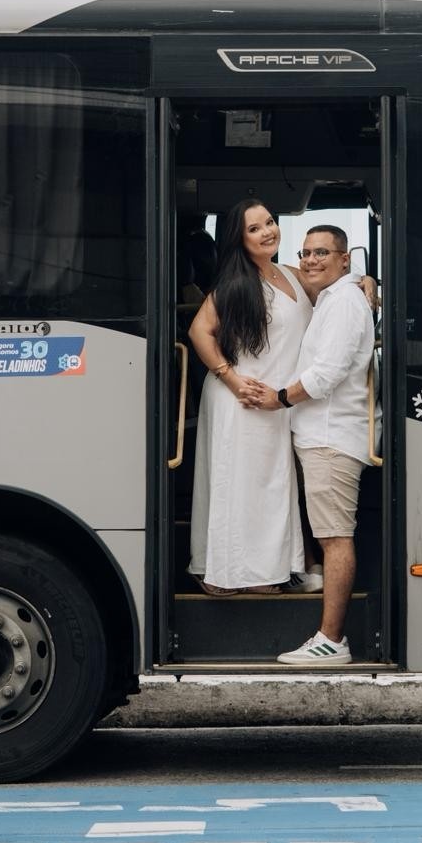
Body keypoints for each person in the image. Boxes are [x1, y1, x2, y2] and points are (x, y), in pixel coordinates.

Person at [240, 224, 377, 664]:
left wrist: (278, 398)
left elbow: (326, 375)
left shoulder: (344, 304)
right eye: (305, 253)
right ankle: (313, 587)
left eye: (322, 252)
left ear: (344, 260)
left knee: (336, 537)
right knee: (326, 530)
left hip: (332, 437)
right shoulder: (338, 297)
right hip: (320, 434)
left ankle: (332, 640)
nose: (311, 260)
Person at [187, 200, 315, 594]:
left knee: (269, 488)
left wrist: (368, 283)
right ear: (239, 239)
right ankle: (224, 577)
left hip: (277, 402)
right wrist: (232, 379)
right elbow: (198, 332)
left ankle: (261, 573)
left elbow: (334, 283)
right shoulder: (235, 283)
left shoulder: (290, 275)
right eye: (255, 228)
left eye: (270, 222)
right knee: (238, 487)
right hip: (239, 399)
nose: (268, 231)